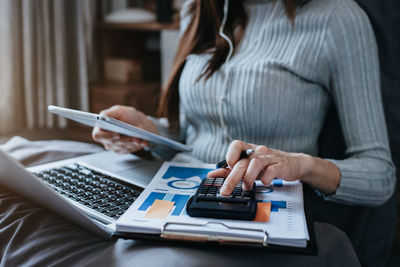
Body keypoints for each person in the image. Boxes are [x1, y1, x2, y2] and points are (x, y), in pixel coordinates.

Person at [92, 0, 396, 263]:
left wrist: (303, 164)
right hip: (174, 198)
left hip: (256, 215)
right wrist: (147, 129)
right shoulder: (200, 10)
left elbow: (380, 175)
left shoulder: (338, 18)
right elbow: (191, 135)